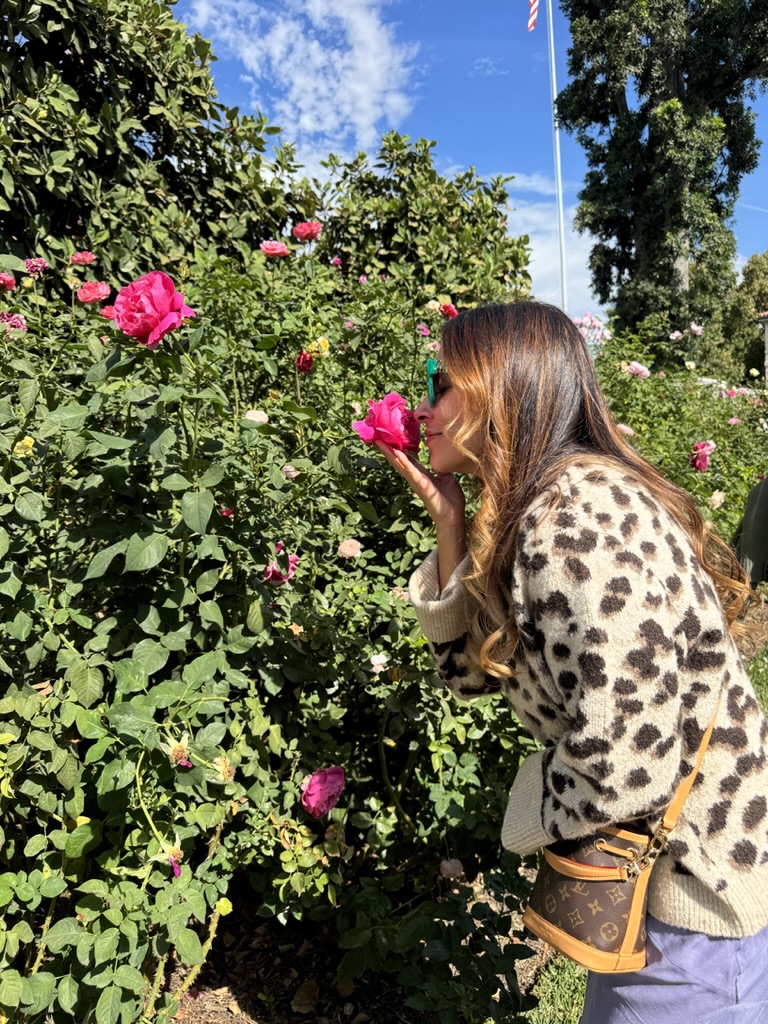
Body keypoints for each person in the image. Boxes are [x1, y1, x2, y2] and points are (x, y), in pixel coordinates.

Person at [375, 302, 768, 1023]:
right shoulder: (541, 507)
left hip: (697, 903)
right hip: (651, 882)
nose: (423, 405)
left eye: (440, 382)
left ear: (503, 388)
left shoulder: (575, 521)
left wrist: (522, 814)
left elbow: (627, 765)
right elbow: (465, 677)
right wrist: (450, 525)